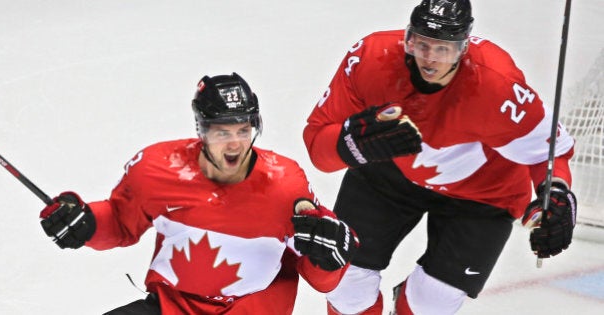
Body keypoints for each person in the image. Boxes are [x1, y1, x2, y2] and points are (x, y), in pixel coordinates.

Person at [302, 0, 578, 314]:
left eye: (443, 49)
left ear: (463, 48)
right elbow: (317, 147)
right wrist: (352, 143)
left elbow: (549, 151)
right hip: (391, 170)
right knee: (344, 281)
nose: (430, 59)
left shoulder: (497, 84)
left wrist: (556, 193)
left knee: (431, 303)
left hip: (484, 193)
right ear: (408, 37)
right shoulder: (370, 58)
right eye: (421, 44)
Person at [39, 72, 359, 314]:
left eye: (243, 129)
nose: (234, 144)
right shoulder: (158, 168)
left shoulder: (285, 184)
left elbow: (322, 279)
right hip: (175, 308)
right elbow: (121, 223)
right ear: (201, 128)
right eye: (222, 131)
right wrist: (85, 222)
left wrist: (330, 258)